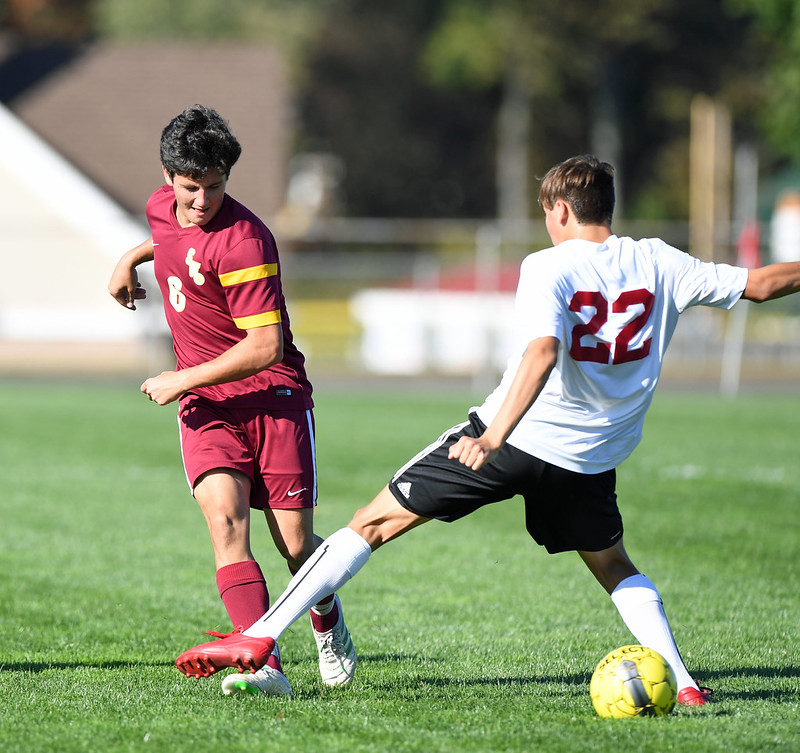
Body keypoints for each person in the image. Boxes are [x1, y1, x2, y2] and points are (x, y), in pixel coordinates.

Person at [174, 154, 800, 703]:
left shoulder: (549, 267)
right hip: (590, 458)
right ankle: (684, 683)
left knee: (371, 523)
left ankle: (258, 639)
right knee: (611, 563)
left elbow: (541, 354)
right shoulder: (660, 260)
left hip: (514, 440)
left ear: (559, 210)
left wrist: (494, 436)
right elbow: (767, 283)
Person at [108, 105, 355, 697]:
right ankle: (260, 662)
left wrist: (182, 378)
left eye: (215, 188)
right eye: (191, 187)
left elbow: (265, 346)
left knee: (296, 545)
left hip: (272, 397)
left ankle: (326, 619)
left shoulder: (246, 240)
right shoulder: (161, 207)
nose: (202, 201)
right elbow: (171, 238)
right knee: (226, 524)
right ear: (168, 176)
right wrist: (129, 259)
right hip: (209, 408)